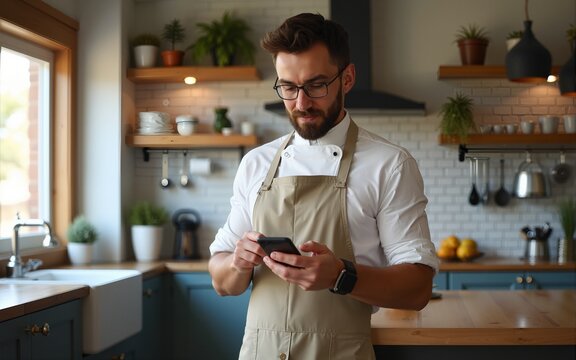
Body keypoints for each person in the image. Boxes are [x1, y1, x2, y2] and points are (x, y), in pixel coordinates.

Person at [209, 12, 439, 359]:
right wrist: (238, 263)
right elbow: (221, 281)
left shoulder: (389, 164)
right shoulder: (256, 164)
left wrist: (341, 276)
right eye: (288, 87)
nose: (301, 103)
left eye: (316, 85)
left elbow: (418, 288)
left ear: (347, 79)